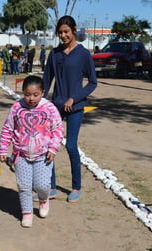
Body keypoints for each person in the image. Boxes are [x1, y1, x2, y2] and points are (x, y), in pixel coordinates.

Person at [42, 15, 97, 203]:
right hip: (56, 107)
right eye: (60, 33)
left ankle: (76, 187)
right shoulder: (54, 54)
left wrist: (75, 98)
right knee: (49, 146)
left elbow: (92, 83)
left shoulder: (83, 54)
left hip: (76, 107)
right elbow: (46, 80)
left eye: (66, 32)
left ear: (74, 30)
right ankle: (51, 187)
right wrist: (39, 101)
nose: (63, 36)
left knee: (71, 145)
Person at [0, 75, 64, 228]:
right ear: (22, 92)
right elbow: (8, 128)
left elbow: (58, 129)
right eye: (27, 94)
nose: (31, 98)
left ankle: (43, 199)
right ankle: (26, 213)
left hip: (43, 155)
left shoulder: (49, 108)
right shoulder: (16, 108)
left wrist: (53, 148)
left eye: (35, 95)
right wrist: (3, 148)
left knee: (42, 185)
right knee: (24, 185)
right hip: (21, 155)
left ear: (43, 93)